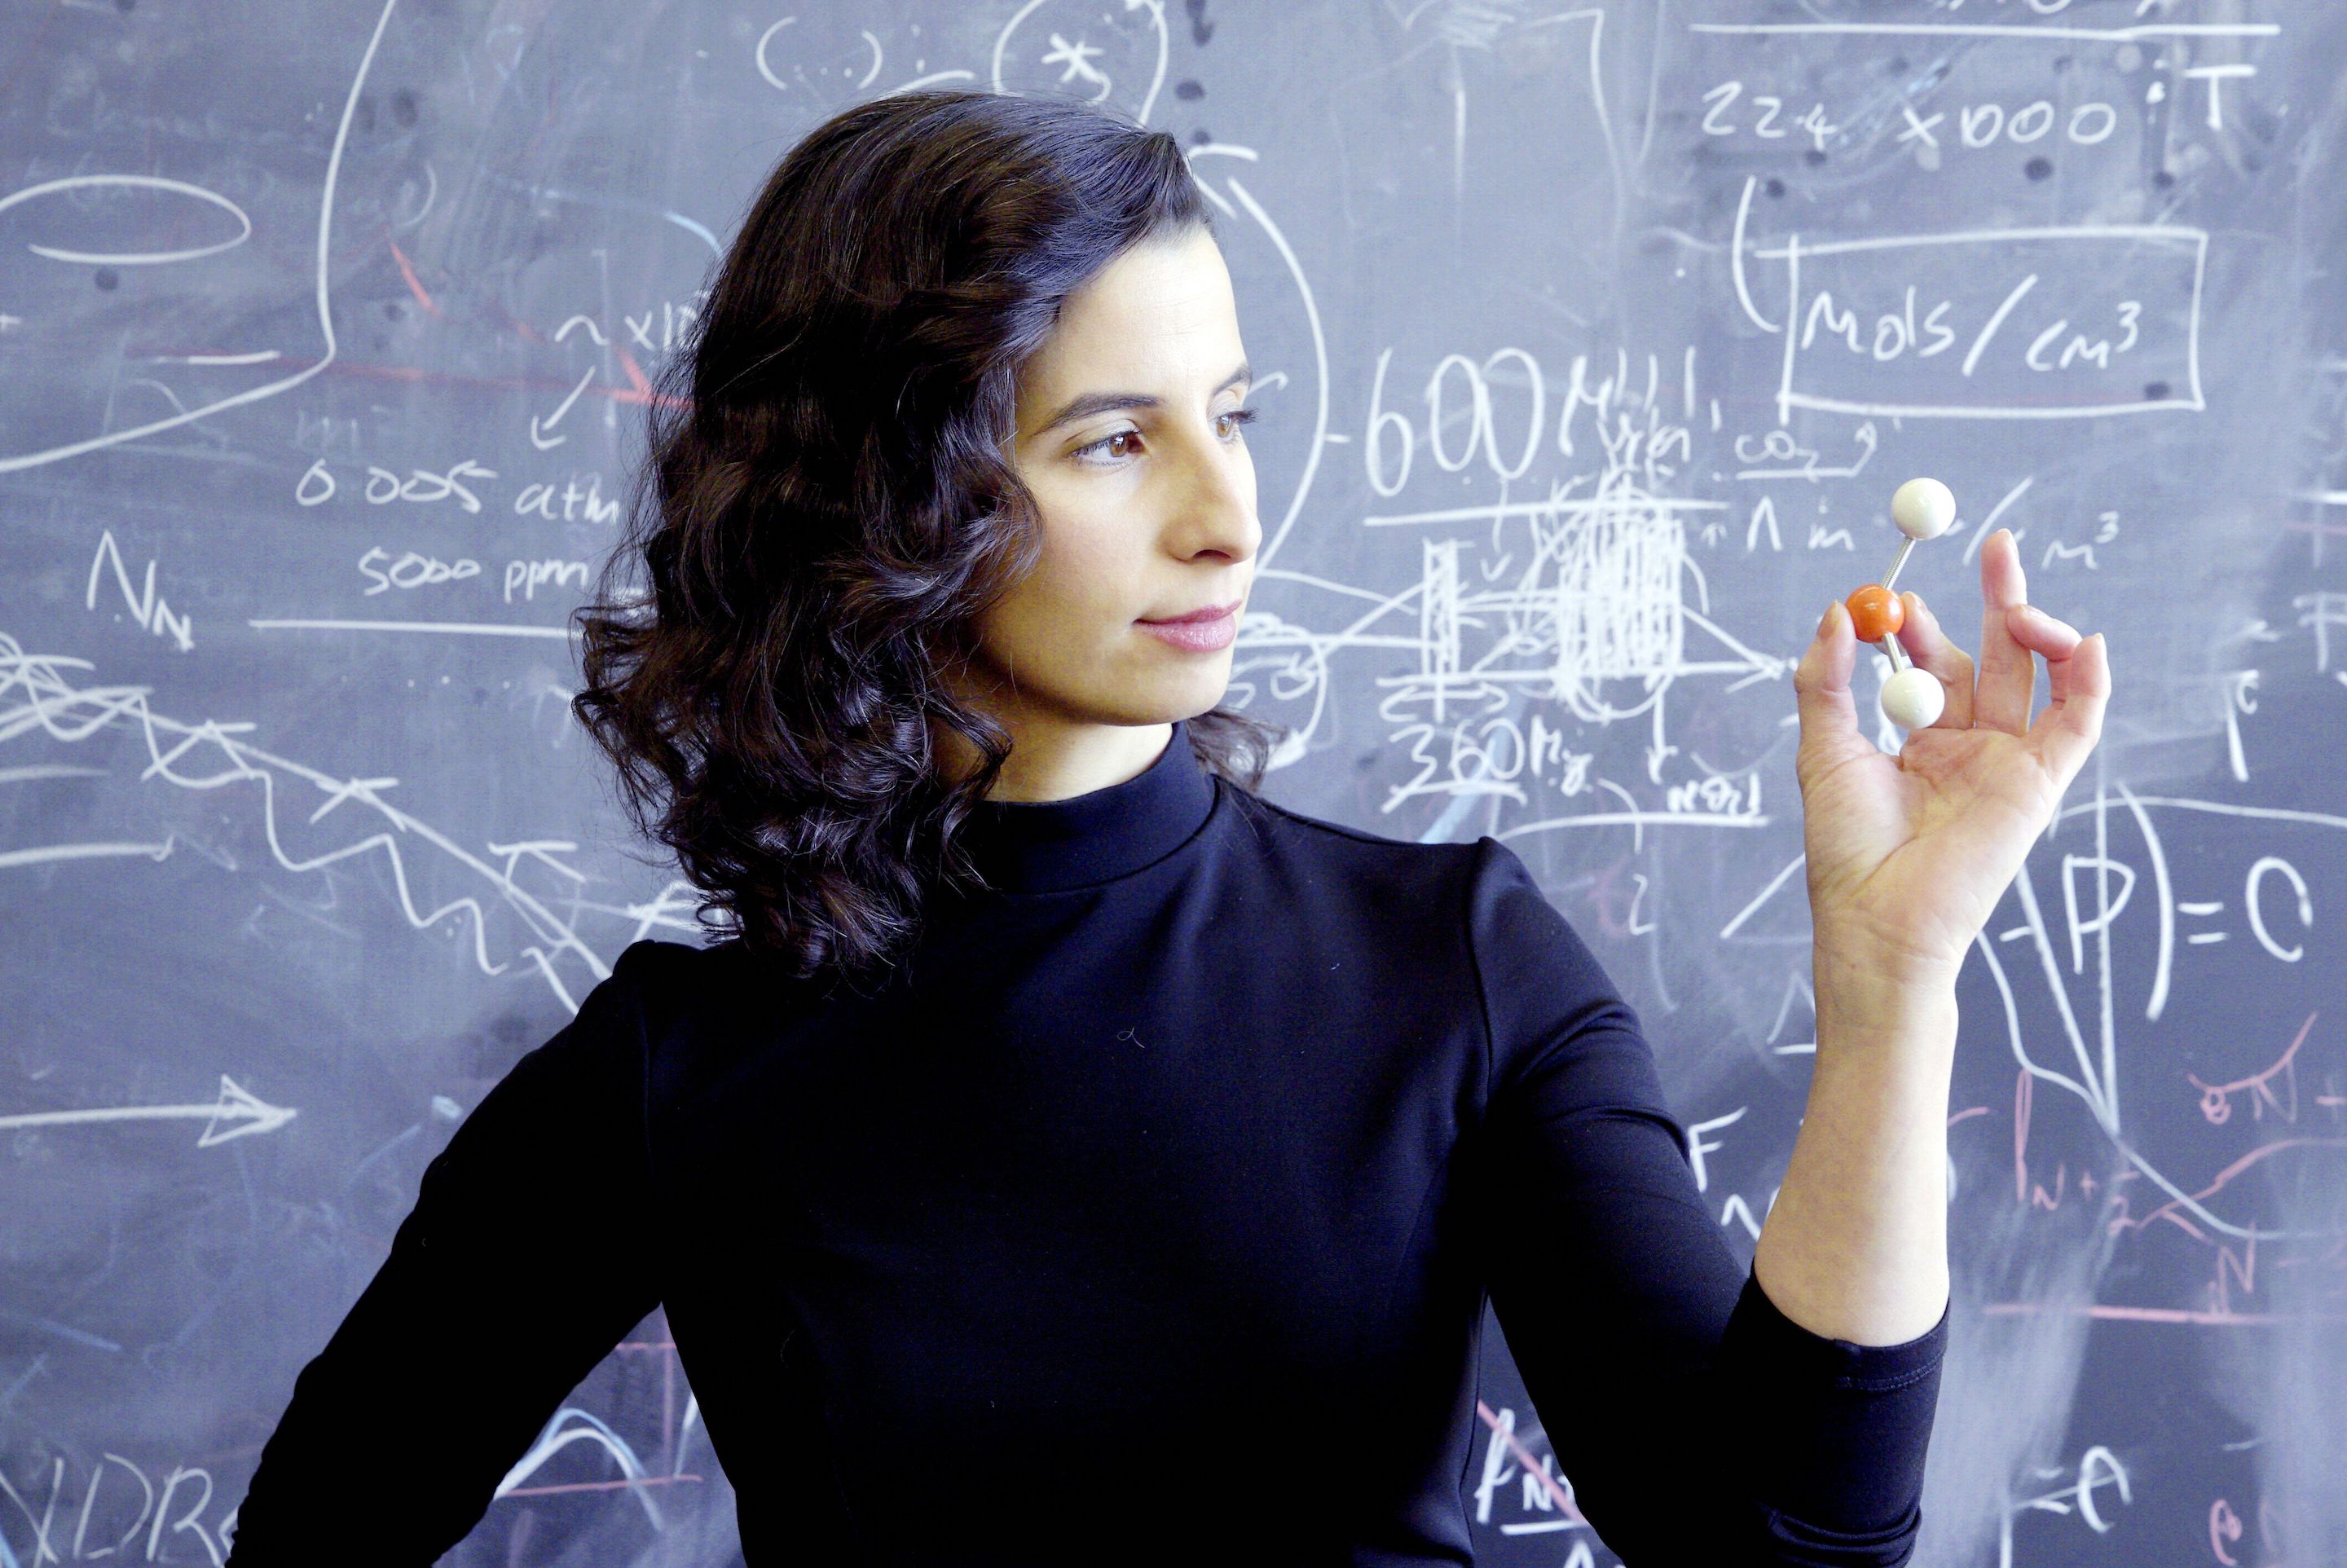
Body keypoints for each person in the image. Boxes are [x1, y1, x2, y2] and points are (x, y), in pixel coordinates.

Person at [222, 90, 2110, 1566]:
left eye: (1236, 415)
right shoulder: (682, 1066)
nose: (1229, 517)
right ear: (894, 493)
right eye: (1114, 440)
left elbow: (1781, 1538)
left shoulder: (1449, 959)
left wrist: (1893, 983)